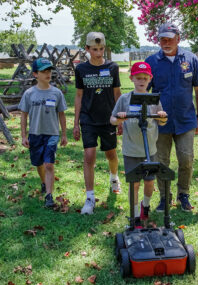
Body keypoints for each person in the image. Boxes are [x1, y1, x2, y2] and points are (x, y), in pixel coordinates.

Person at [145, 23, 198, 212]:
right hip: (160, 122)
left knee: (186, 159)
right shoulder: (151, 62)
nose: (166, 42)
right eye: (162, 39)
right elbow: (143, 90)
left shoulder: (191, 59)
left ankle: (184, 195)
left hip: (185, 120)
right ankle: (165, 197)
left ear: (178, 39)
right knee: (161, 161)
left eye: (170, 38)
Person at [110, 62, 167, 228]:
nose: (141, 81)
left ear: (150, 79)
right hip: (131, 150)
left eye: (145, 78)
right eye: (138, 78)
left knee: (149, 182)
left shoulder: (153, 99)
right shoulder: (124, 99)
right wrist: (120, 118)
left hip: (150, 149)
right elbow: (112, 119)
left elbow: (162, 122)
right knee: (134, 184)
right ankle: (135, 216)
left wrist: (161, 116)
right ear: (131, 78)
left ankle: (146, 206)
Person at [73, 32, 122, 215]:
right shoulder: (81, 70)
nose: (99, 53)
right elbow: (78, 96)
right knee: (89, 155)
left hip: (108, 118)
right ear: (87, 49)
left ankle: (114, 177)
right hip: (88, 119)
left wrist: (120, 119)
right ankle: (90, 197)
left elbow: (117, 93)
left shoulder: (112, 67)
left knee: (111, 154)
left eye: (101, 49)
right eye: (95, 49)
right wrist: (76, 123)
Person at [19, 58, 68, 208]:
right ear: (35, 74)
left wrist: (64, 134)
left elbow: (61, 114)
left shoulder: (57, 93)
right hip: (35, 133)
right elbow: (23, 115)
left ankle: (49, 196)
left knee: (49, 165)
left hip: (52, 133)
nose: (48, 74)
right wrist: (23, 135)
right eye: (43, 71)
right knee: (39, 163)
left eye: (49, 71)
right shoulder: (29, 94)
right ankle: (43, 182)